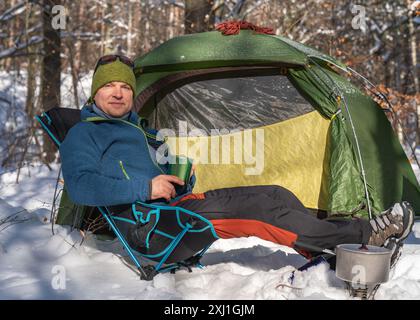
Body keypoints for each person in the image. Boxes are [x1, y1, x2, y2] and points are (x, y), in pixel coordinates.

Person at [59, 54, 415, 266]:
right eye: (109, 87)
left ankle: (320, 244)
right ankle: (366, 234)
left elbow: (139, 172)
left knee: (273, 194)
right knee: (260, 213)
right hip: (151, 230)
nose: (118, 92)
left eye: (124, 87)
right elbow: (82, 185)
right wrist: (146, 186)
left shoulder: (135, 129)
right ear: (95, 92)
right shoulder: (85, 133)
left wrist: (174, 174)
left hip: (173, 208)